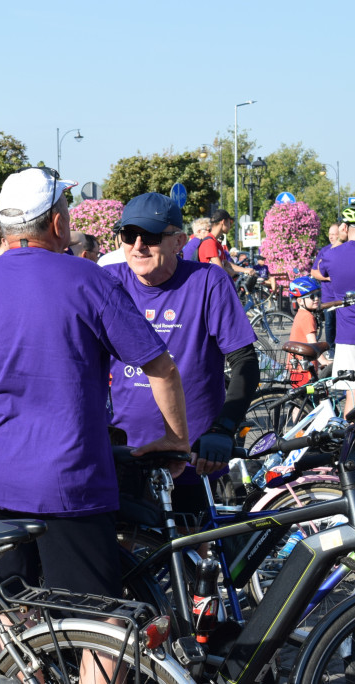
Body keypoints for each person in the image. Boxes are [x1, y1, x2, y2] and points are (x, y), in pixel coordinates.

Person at [0, 168, 189, 611]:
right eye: (65, 209)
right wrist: (176, 439)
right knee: (101, 621)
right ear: (56, 223)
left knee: (5, 617)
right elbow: (161, 367)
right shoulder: (89, 280)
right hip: (68, 482)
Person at [104, 193, 259, 518]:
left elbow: (244, 362)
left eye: (151, 236)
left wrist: (223, 428)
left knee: (193, 560)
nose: (138, 245)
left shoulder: (207, 281)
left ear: (179, 241)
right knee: (128, 557)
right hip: (127, 451)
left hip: (193, 453)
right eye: (129, 236)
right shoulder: (109, 281)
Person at [320, 200, 355, 416]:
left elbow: (323, 272)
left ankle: (350, 447)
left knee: (354, 396)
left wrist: (342, 240)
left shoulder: (331, 255)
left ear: (345, 227)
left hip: (348, 336)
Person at [286, 277, 331, 387]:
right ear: (300, 301)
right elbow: (312, 343)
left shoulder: (301, 314)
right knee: (310, 399)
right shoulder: (307, 317)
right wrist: (324, 361)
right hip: (304, 367)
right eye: (312, 296)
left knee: (301, 400)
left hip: (297, 365)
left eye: (318, 295)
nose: (316, 298)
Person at [311, 222, 348, 353]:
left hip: (344, 296)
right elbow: (314, 272)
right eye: (330, 234)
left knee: (344, 324)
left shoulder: (346, 248)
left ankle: (344, 349)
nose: (331, 237)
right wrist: (327, 278)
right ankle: (331, 350)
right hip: (329, 296)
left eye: (334, 234)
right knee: (329, 324)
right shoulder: (325, 251)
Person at [198, 210, 254, 278]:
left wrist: (245, 270)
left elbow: (226, 264)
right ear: (223, 222)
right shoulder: (209, 242)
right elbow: (220, 269)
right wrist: (235, 273)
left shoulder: (216, 242)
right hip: (212, 285)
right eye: (230, 222)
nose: (230, 226)